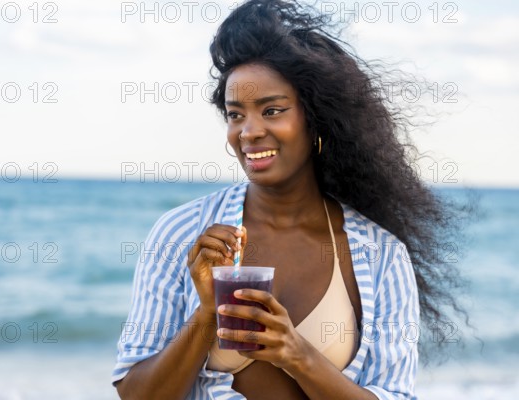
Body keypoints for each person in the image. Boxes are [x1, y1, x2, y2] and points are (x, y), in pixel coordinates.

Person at [112, 0, 466, 398]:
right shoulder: (183, 233)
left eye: (272, 110)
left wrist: (297, 355)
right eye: (235, 114)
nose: (249, 131)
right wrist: (208, 314)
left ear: (316, 118)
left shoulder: (380, 255)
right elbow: (137, 394)